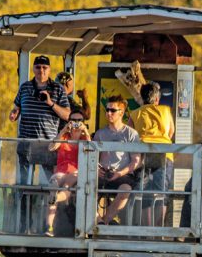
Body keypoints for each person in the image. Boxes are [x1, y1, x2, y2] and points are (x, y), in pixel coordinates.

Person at [9, 55, 71, 185]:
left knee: (50, 181)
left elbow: (67, 115)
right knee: (24, 182)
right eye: (38, 67)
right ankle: (24, 204)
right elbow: (16, 107)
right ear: (33, 69)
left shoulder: (57, 88)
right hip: (26, 142)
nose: (41, 70)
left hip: (47, 143)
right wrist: (14, 114)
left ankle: (49, 204)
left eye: (44, 67)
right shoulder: (25, 87)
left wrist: (50, 103)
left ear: (49, 70)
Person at [128, 82, 175, 226]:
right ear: (157, 99)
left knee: (144, 193)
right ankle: (158, 230)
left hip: (143, 155)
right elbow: (171, 132)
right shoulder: (166, 110)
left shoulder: (135, 113)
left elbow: (130, 134)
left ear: (142, 98)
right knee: (163, 193)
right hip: (164, 154)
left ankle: (147, 230)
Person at [94, 95, 142, 225]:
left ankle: (104, 222)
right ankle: (99, 221)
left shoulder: (131, 134)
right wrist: (96, 170)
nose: (109, 113)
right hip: (102, 174)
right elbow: (92, 158)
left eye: (113, 110)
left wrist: (119, 173)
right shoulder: (100, 133)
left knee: (126, 189)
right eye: (107, 110)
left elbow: (136, 161)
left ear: (121, 112)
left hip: (122, 175)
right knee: (86, 187)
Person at [45, 110, 91, 236]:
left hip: (76, 173)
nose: (76, 123)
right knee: (55, 184)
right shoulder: (64, 137)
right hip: (60, 172)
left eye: (79, 121)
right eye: (73, 120)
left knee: (66, 186)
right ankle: (49, 227)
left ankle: (55, 198)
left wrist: (85, 131)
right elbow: (51, 147)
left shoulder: (84, 139)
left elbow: (92, 149)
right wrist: (64, 130)